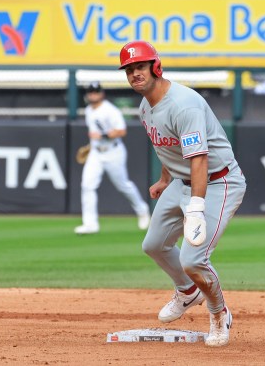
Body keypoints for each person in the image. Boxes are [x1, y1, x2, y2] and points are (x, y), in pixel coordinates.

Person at [118, 40, 246, 347]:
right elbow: (169, 147)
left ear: (155, 67)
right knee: (154, 245)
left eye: (140, 67)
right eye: (129, 69)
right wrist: (164, 179)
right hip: (181, 180)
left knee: (193, 259)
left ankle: (219, 314)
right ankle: (189, 291)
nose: (135, 74)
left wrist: (197, 207)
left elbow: (199, 159)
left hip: (218, 182)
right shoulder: (145, 106)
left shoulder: (183, 104)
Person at [75, 82, 151, 235]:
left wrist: (102, 136)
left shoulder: (110, 110)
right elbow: (94, 133)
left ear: (101, 94)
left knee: (123, 185)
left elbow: (121, 131)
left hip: (113, 151)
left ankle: (142, 210)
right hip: (96, 152)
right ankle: (90, 224)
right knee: (87, 185)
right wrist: (92, 145)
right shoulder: (89, 110)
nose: (93, 95)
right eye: (91, 92)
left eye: (96, 92)